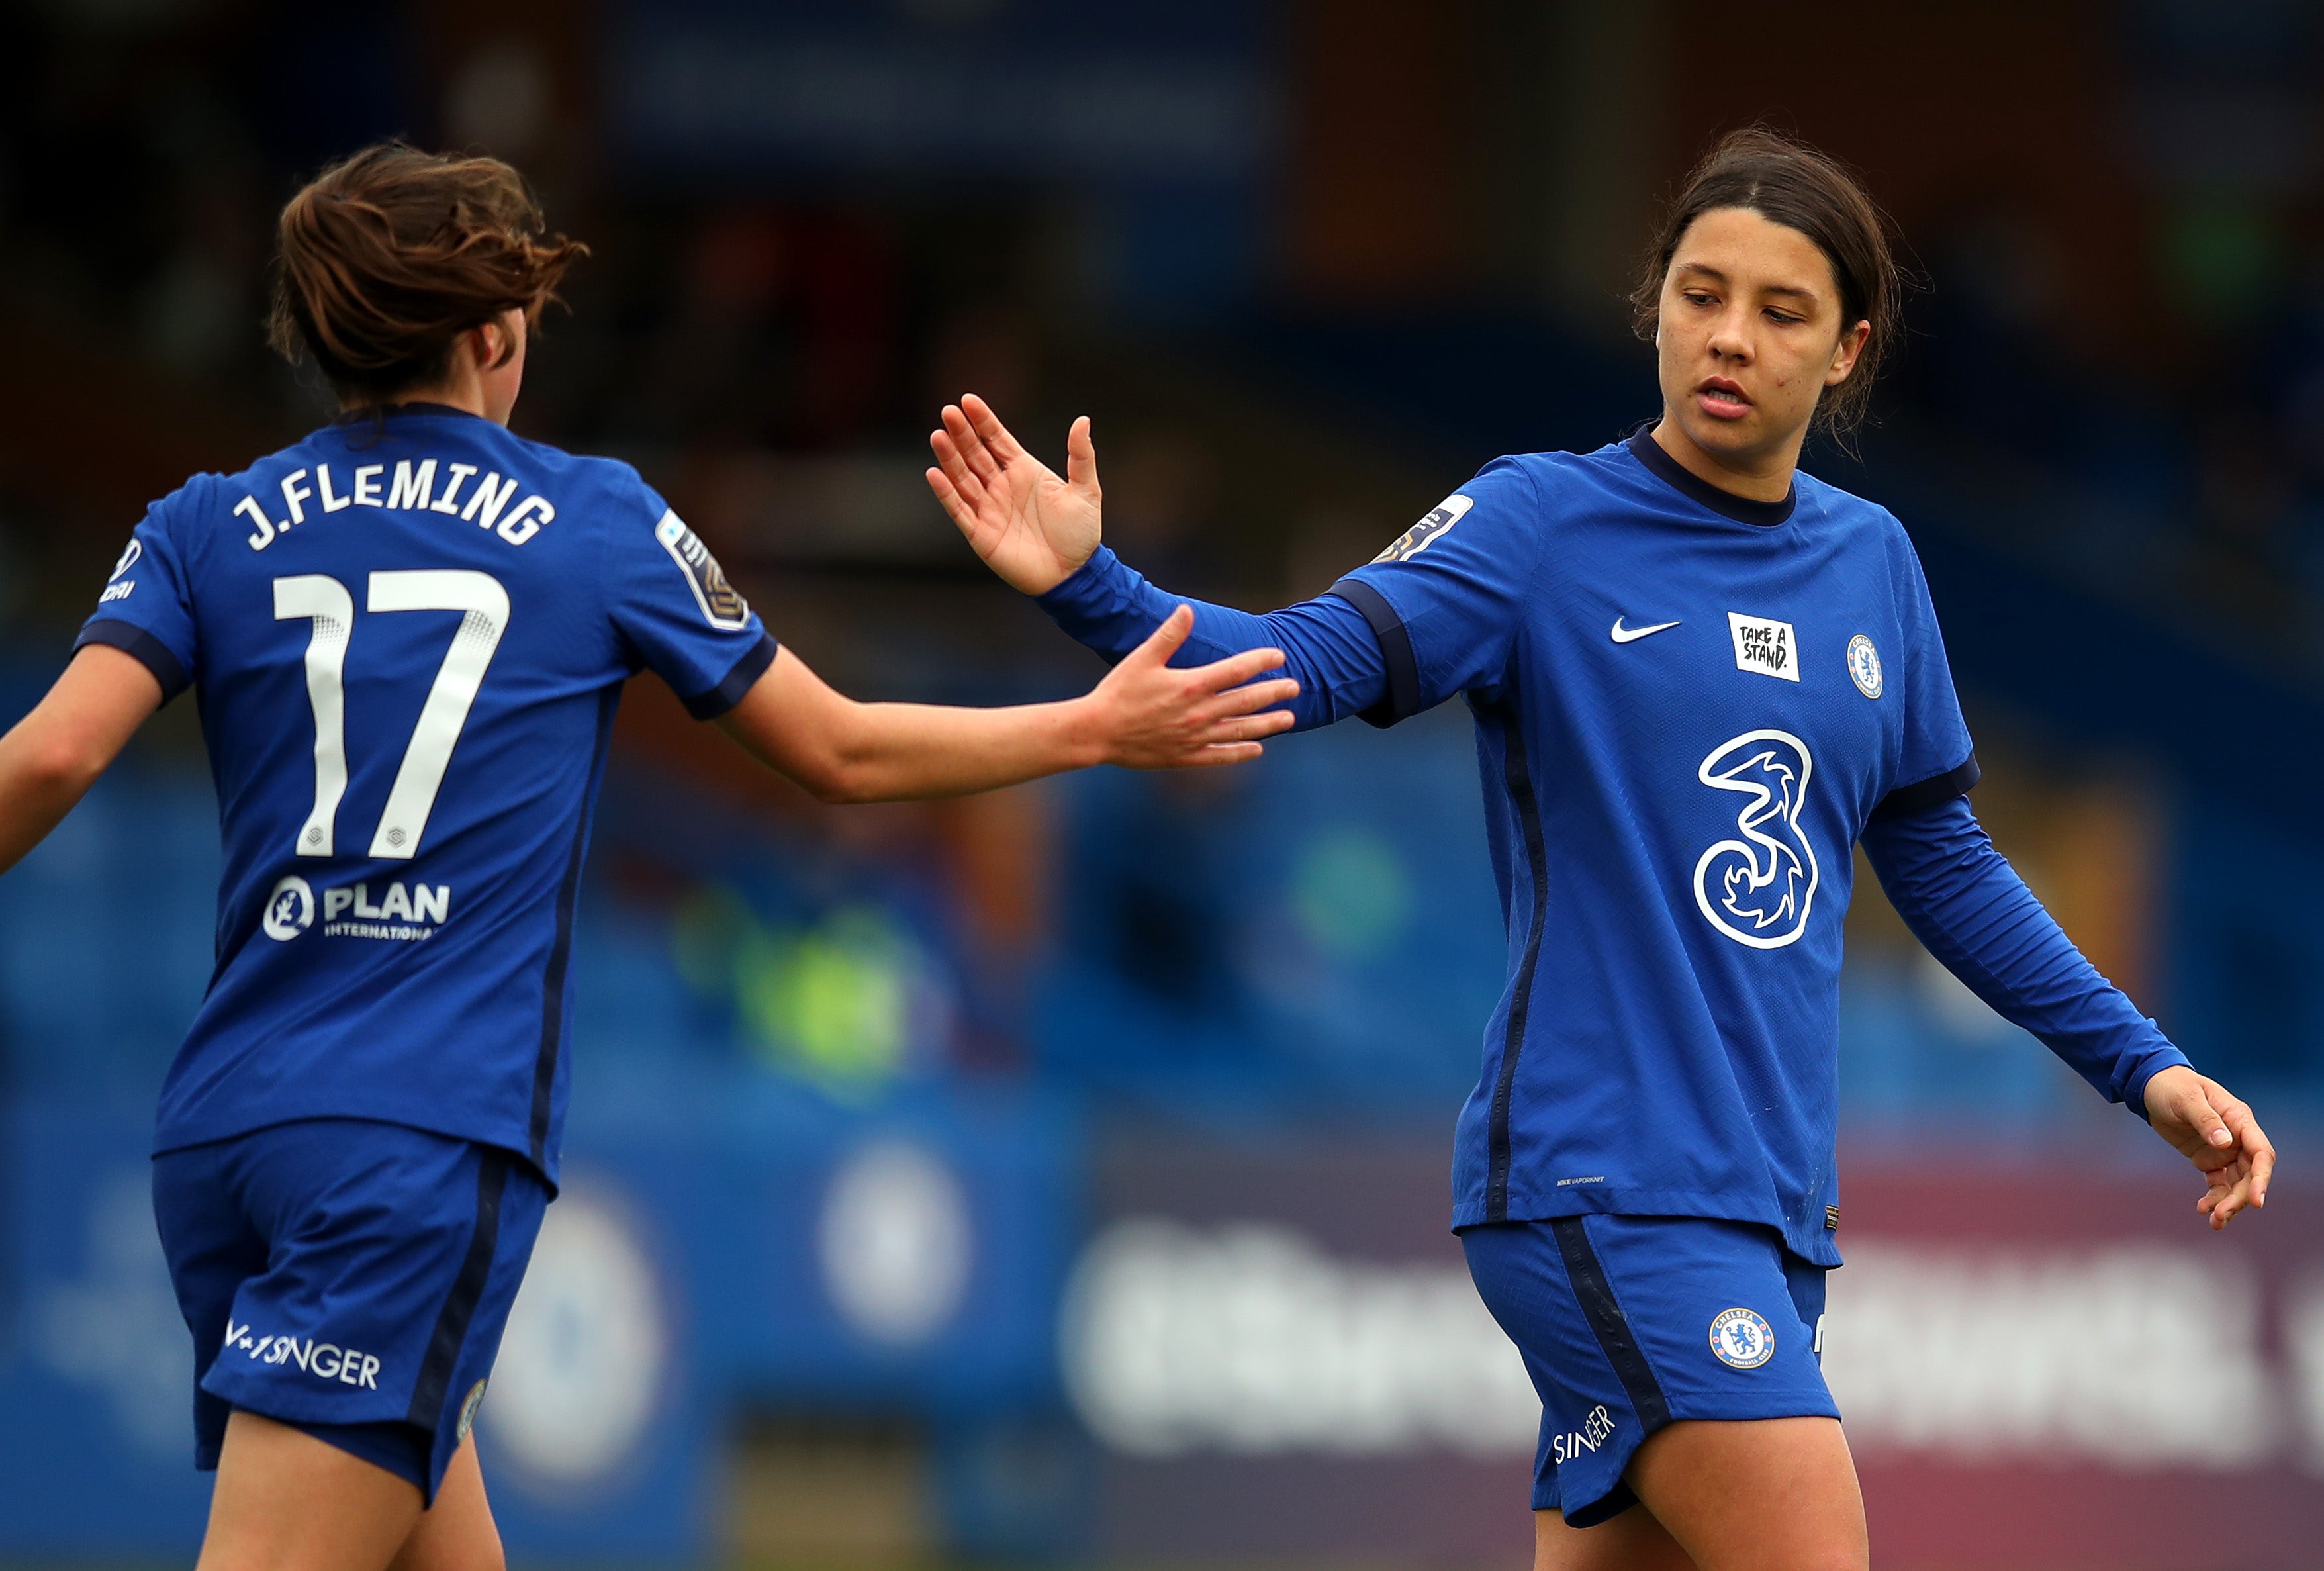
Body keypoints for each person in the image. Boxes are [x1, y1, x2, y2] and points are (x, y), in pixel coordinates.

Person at [925, 128, 2277, 1571]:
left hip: (1763, 1209)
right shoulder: (1539, 523)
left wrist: (2145, 1064)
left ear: (1848, 350)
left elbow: (1942, 863)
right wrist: (1091, 583)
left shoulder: (1873, 562)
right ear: (1653, 305)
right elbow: (1291, 665)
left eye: (1780, 310)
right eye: (1700, 293)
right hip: (1606, 1184)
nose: (1729, 336)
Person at [0, 143, 1299, 1571]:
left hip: (226, 1133)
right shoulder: (596, 517)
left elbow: (53, 757)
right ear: (495, 332)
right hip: (415, 1140)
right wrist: (1095, 725)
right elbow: (842, 753)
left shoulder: (200, 522)